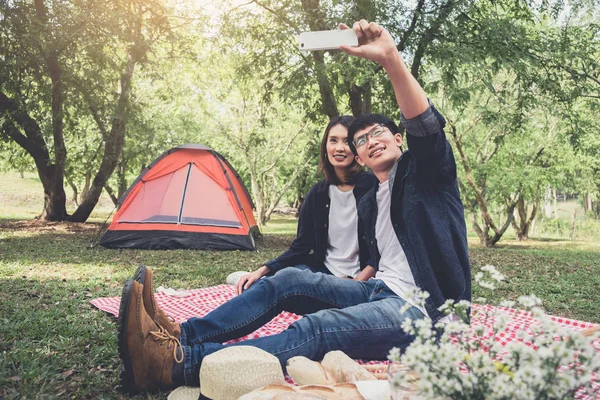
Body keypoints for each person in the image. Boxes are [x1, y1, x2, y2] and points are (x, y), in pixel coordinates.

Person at [117, 19, 471, 395]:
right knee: (286, 281)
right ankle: (180, 335)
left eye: (379, 132)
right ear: (360, 158)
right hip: (380, 290)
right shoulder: (372, 196)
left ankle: (174, 365)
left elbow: (425, 125)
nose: (370, 140)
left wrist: (389, 60)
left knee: (317, 327)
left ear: (399, 139)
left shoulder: (426, 175)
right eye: (361, 140)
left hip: (424, 312)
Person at [235, 115, 378, 295]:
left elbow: (383, 249)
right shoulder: (317, 194)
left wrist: (355, 283)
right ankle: (194, 324)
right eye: (333, 140)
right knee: (274, 283)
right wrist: (262, 270)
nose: (339, 148)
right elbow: (301, 246)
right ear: (325, 147)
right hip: (323, 273)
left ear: (357, 147)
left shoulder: (375, 188)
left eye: (347, 141)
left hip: (365, 281)